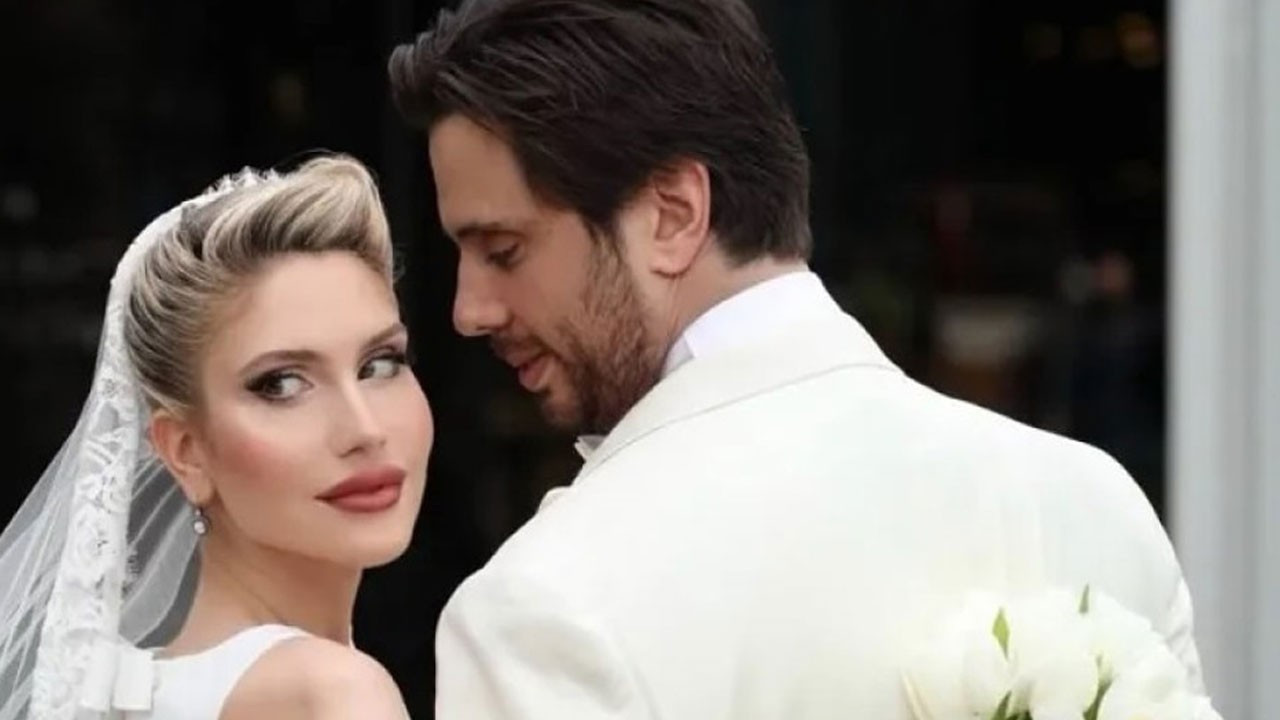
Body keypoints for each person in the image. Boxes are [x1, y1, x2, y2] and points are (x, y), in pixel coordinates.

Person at [388, 1, 1209, 718]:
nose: (468, 310)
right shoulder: (1093, 505)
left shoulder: (548, 605)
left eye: (503, 249)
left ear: (673, 214)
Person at [0, 155, 430, 719]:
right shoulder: (334, 693)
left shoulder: (156, 690)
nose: (365, 430)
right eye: (282, 384)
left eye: (379, 364)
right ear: (185, 451)